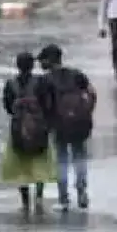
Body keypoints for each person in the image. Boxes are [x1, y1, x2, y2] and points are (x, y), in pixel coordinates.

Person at [37, 44, 96, 210]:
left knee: (61, 159)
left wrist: (46, 125)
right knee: (79, 156)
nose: (40, 64)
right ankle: (82, 190)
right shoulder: (77, 75)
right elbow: (92, 92)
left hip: (59, 125)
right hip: (79, 123)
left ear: (49, 60)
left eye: (42, 60)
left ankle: (63, 197)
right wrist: (87, 112)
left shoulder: (45, 80)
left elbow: (42, 106)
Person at [0, 52, 55, 213]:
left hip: (18, 128)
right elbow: (48, 104)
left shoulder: (10, 84)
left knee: (21, 164)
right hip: (39, 127)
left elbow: (8, 107)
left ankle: (25, 198)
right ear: (32, 66)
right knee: (39, 161)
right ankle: (39, 195)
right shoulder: (41, 82)